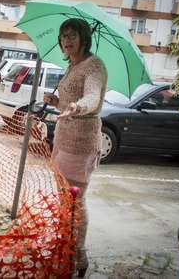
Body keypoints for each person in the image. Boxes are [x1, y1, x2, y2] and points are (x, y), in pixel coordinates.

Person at [43, 18, 108, 278]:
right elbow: (66, 106)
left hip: (81, 142)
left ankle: (78, 256)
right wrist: (58, 101)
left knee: (75, 201)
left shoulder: (94, 66)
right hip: (62, 140)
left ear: (83, 37)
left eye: (72, 36)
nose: (66, 41)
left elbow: (92, 97)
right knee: (63, 200)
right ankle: (64, 247)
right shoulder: (72, 66)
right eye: (63, 36)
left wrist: (78, 106)